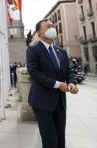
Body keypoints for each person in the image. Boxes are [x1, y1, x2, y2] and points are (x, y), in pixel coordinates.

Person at [26, 19, 79, 148]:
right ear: (39, 32)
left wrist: (72, 83)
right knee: (50, 140)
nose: (52, 28)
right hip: (42, 102)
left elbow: (69, 71)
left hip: (60, 102)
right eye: (48, 27)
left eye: (52, 26)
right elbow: (34, 73)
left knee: (61, 140)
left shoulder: (61, 51)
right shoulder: (33, 50)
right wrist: (57, 84)